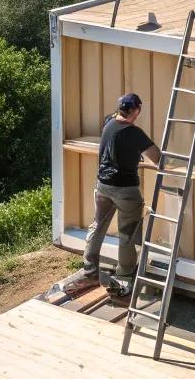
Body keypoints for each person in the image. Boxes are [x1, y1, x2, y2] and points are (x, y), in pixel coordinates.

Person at [66, 92, 161, 296]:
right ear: (136, 110)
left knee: (97, 227)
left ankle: (90, 272)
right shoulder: (134, 133)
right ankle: (124, 279)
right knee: (128, 234)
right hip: (126, 191)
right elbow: (157, 157)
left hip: (103, 187)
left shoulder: (108, 124)